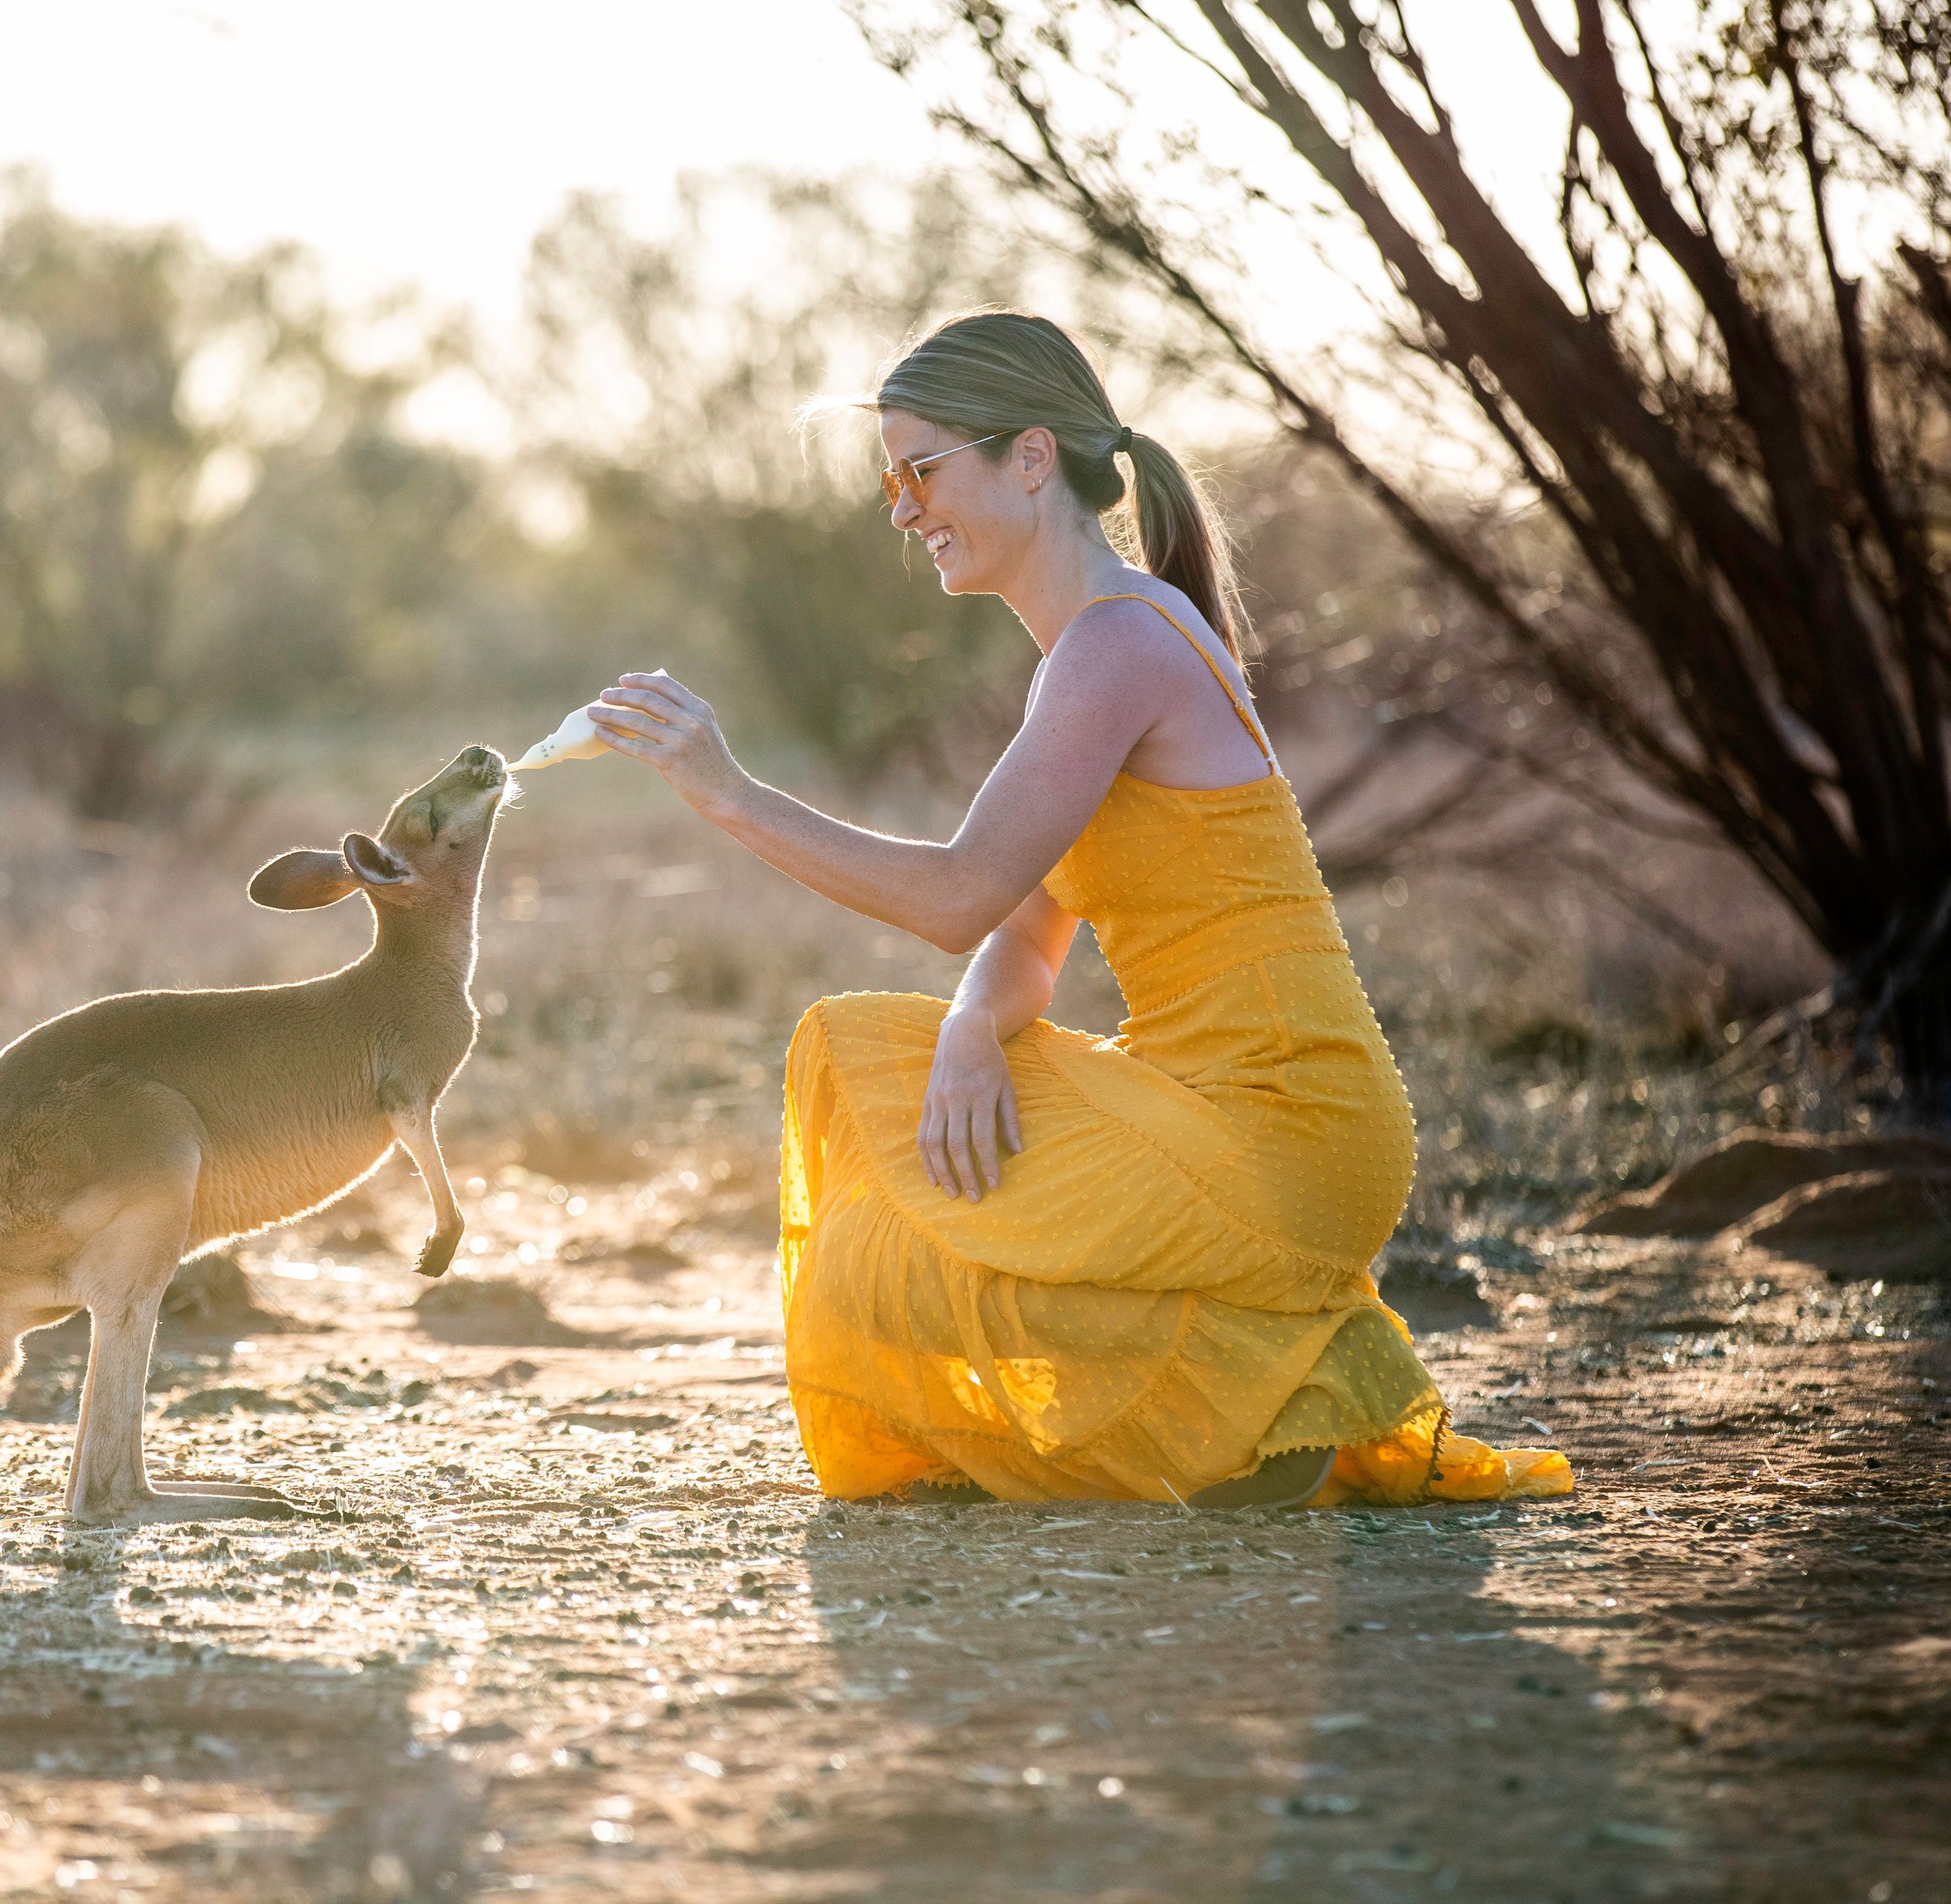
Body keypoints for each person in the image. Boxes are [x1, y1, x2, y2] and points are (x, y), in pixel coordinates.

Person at [581, 309, 1570, 1509]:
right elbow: (1022, 935)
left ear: (1032, 458)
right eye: (892, 479)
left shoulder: (1118, 646)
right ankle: (1262, 1403)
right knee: (883, 1141)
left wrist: (729, 795)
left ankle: (1254, 1408)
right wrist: (967, 1029)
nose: (901, 509)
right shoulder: (1097, 650)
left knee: (856, 1145)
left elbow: (956, 894)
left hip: (1285, 1124)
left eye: (922, 470)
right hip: (1224, 1108)